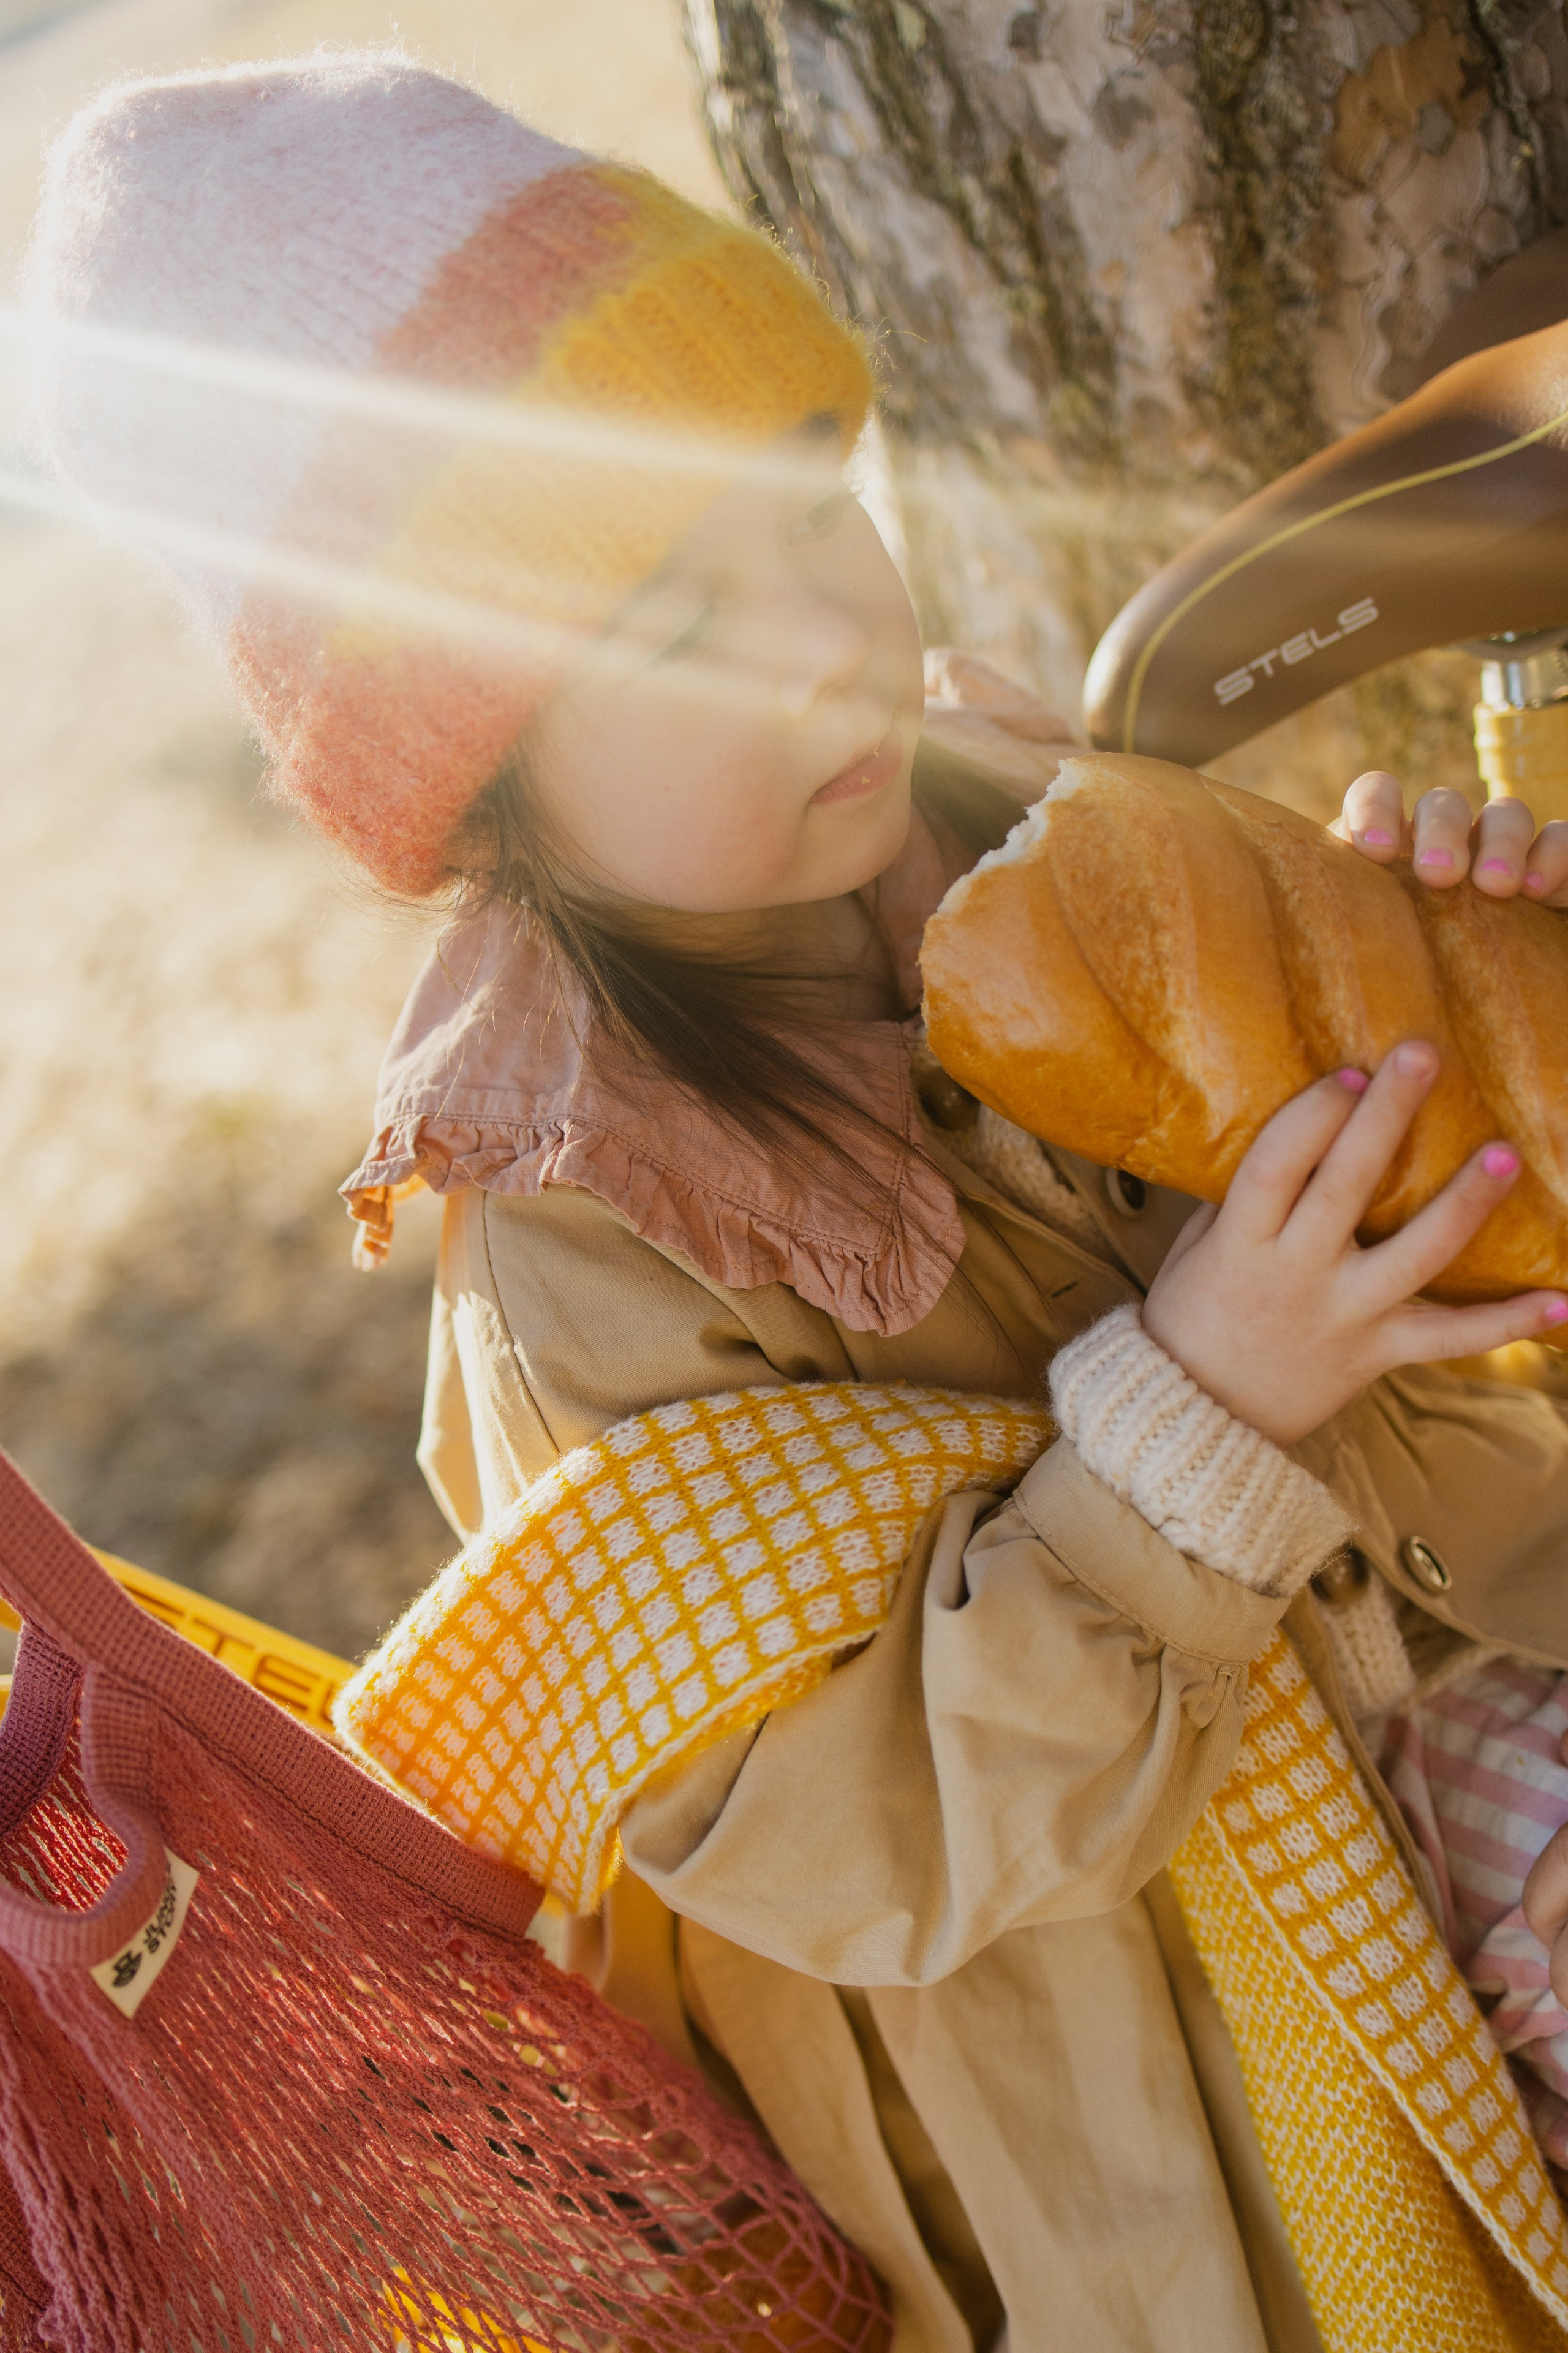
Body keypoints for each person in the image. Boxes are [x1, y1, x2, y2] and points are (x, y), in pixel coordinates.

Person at [24, 52, 1568, 2353]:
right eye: (673, 613)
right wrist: (1203, 1402)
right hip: (1154, 2115)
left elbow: (1410, 1371)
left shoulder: (1011, 798)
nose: (828, 631)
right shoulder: (579, 1243)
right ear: (487, 773)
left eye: (806, 498)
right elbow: (831, 1829)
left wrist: (1424, 1049)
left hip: (1405, 1769)